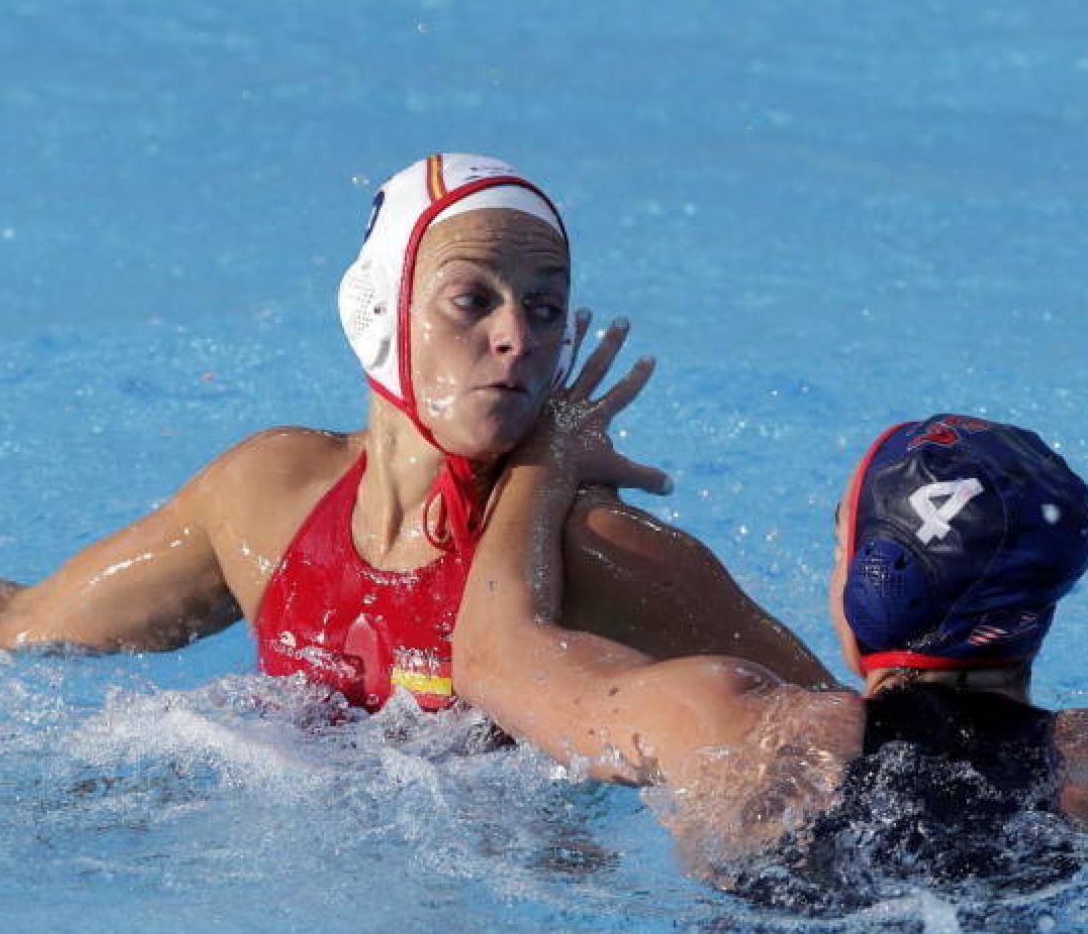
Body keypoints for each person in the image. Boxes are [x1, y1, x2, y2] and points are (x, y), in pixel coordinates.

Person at [0, 152, 831, 712]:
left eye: (545, 306)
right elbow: (12, 629)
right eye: (473, 300)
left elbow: (857, 750)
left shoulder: (602, 561)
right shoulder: (267, 501)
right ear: (377, 316)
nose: (518, 336)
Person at [455, 345, 1088, 910]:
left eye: (841, 541)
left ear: (877, 581)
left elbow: (493, 656)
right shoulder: (1078, 763)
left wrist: (546, 455)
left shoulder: (742, 726)